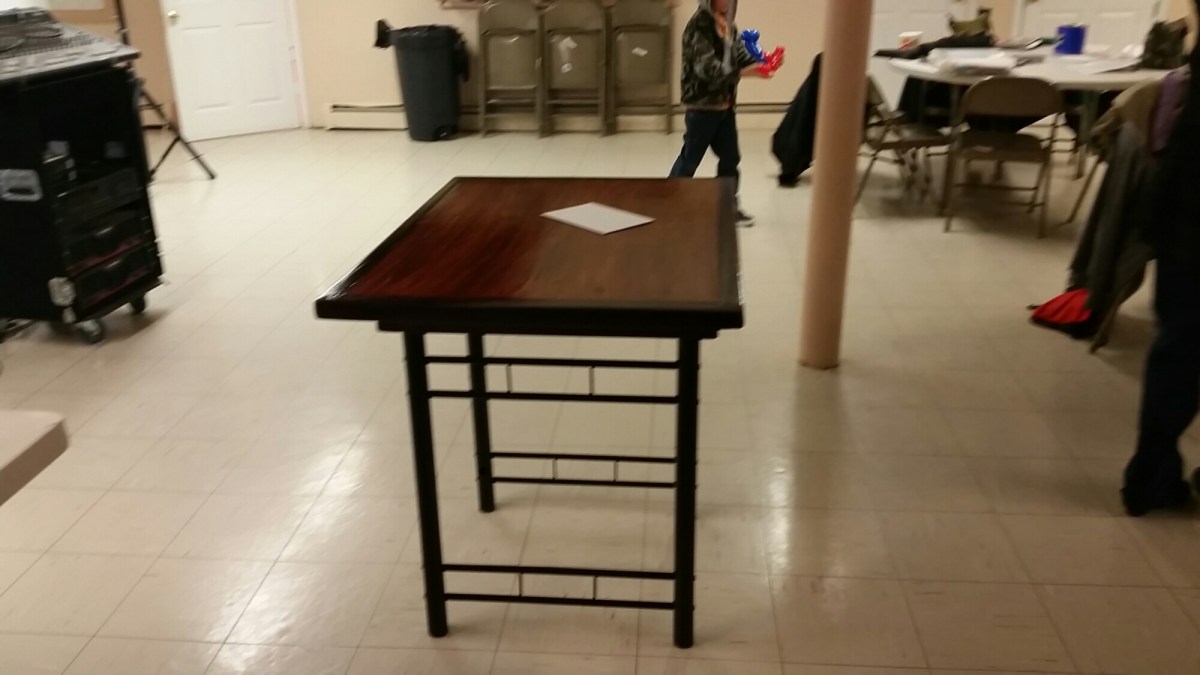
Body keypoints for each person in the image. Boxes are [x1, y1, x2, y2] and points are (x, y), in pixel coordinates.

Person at [1122, 0, 1200, 517]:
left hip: (1187, 205)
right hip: (1187, 205)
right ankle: (1153, 476)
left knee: (1178, 344)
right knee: (1179, 344)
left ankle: (1149, 478)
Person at [669, 0, 779, 227]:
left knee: (730, 158)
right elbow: (707, 69)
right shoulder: (699, 26)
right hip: (702, 108)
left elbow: (739, 54)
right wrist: (747, 73)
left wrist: (765, 60)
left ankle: (727, 206)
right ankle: (670, 203)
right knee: (690, 160)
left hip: (725, 106)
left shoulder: (728, 24)